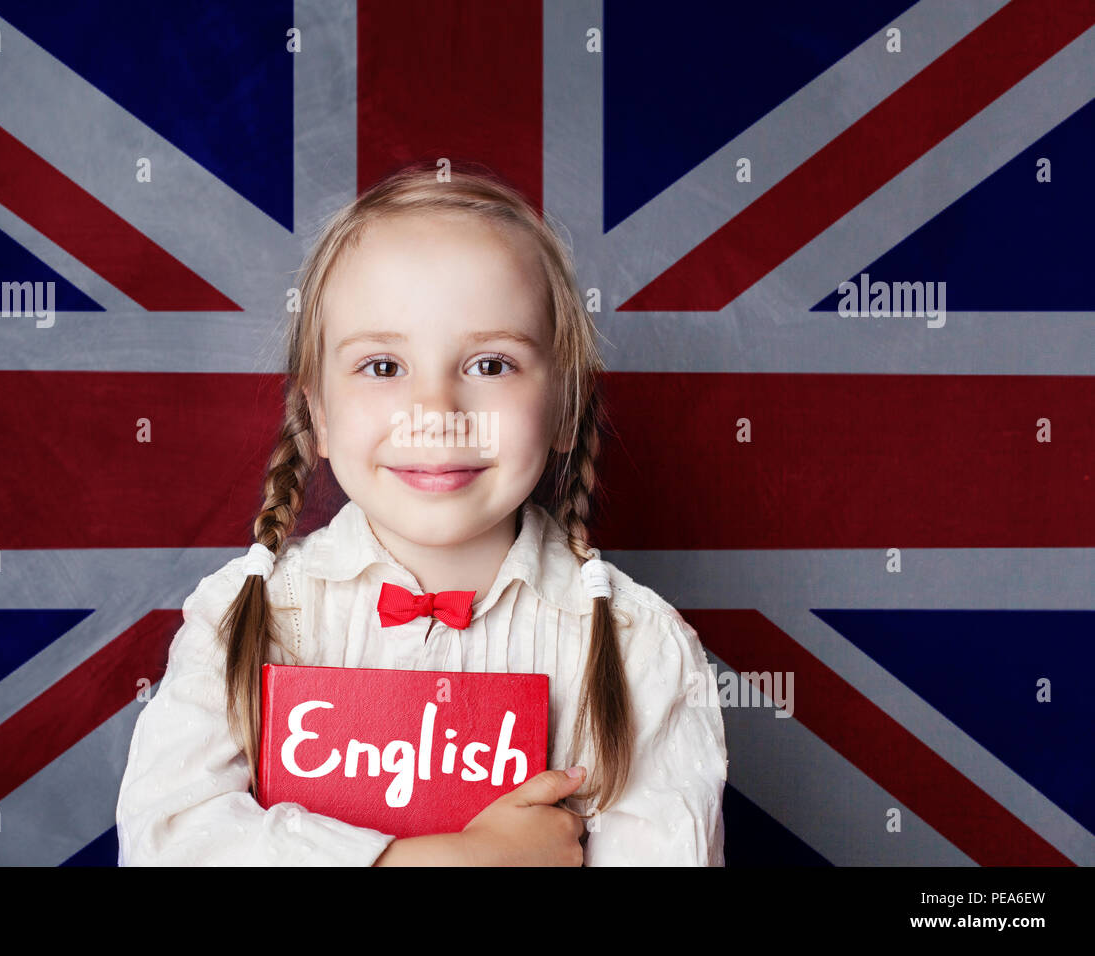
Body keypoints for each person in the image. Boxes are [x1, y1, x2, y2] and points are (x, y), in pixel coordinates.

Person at [115, 159, 727, 866]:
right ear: (315, 410)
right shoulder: (244, 617)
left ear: (563, 406)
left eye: (490, 365)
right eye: (383, 366)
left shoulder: (636, 647)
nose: (436, 413)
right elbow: (170, 844)